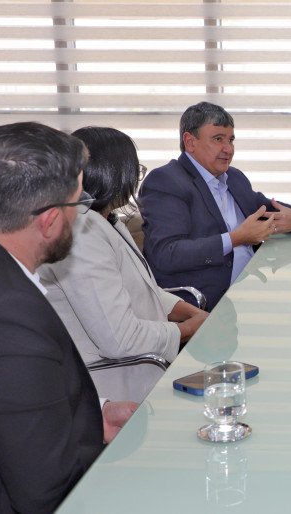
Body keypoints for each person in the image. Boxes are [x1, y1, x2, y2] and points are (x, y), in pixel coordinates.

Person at [0, 122, 137, 513]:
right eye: (79, 204)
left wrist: (96, 415)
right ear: (50, 220)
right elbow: (48, 487)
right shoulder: (1, 311)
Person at [38, 127, 209, 403]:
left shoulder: (106, 219)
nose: (135, 179)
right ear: (113, 173)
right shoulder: (80, 231)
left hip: (144, 361)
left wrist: (191, 314)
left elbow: (139, 288)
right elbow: (121, 340)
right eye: (133, 170)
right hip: (117, 388)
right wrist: (189, 329)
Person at [139, 101, 291, 311]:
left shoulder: (233, 178)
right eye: (218, 139)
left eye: (231, 140)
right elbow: (167, 253)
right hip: (203, 303)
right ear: (190, 141)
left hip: (248, 288)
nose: (228, 149)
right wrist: (236, 239)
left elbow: (270, 210)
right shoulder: (166, 181)